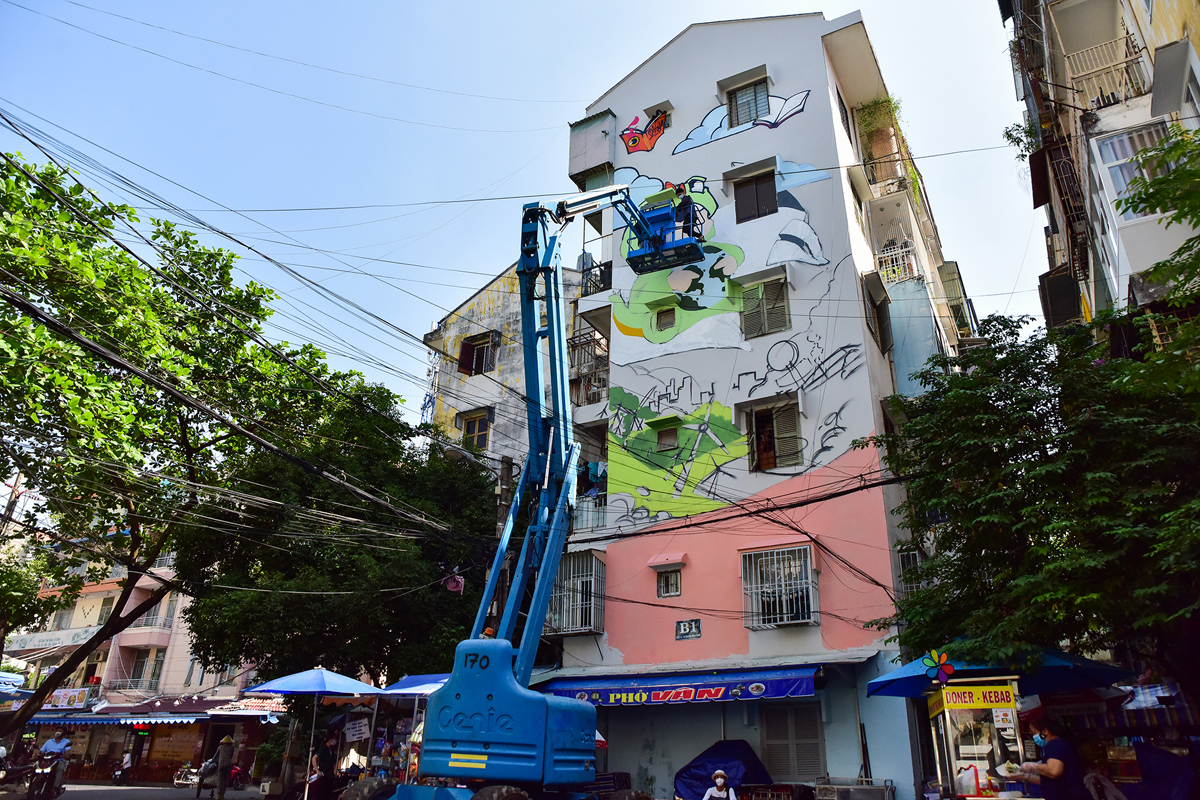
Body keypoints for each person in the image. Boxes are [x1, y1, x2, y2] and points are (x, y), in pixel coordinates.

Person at [1020, 717, 1089, 800]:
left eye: (1034, 733)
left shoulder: (1054, 744)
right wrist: (1024, 776)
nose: (1034, 736)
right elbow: (1048, 781)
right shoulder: (1058, 744)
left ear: (1045, 731)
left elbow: (1054, 771)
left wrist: (1033, 766)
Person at [40, 730, 71, 795]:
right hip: (47, 760)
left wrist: (65, 755)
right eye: (57, 730)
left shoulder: (66, 742)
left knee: (60, 768)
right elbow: (42, 751)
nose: (58, 732)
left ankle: (55, 787)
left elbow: (67, 752)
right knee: (36, 767)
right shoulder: (49, 741)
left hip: (58, 760)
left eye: (60, 731)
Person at [311, 733, 338, 800]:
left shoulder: (331, 749)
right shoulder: (323, 748)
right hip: (324, 775)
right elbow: (314, 758)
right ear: (330, 739)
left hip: (330, 775)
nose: (335, 741)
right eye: (334, 739)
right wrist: (317, 770)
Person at [215, 735, 234, 800]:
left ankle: (218, 795)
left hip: (221, 765)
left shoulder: (220, 747)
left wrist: (211, 761)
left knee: (220, 780)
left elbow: (215, 756)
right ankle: (222, 794)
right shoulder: (231, 748)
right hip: (228, 765)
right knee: (225, 780)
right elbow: (231, 756)